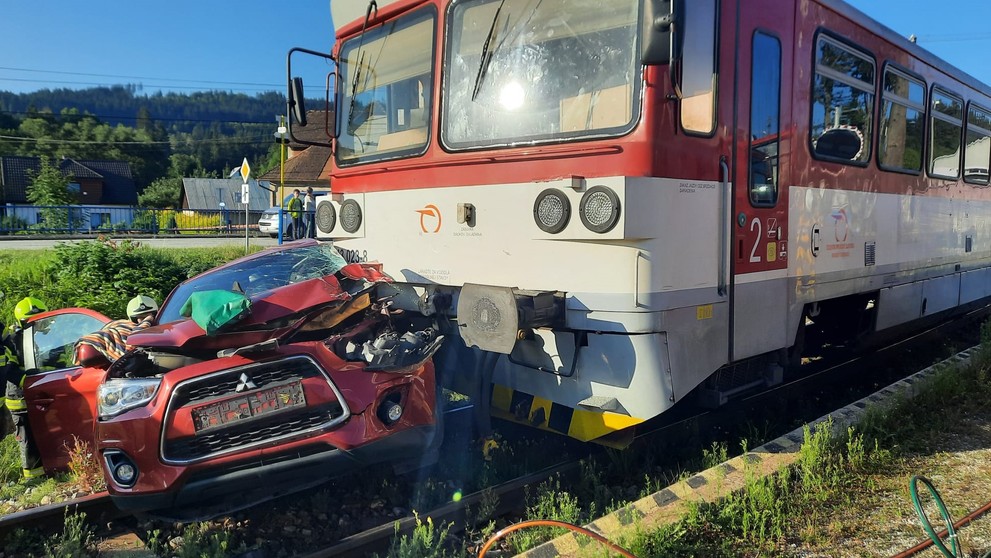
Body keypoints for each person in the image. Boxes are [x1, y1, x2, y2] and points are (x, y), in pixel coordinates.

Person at [4, 296, 48, 480]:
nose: (35, 325)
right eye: (29, 322)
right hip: (19, 398)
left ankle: (52, 468)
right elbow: (8, 368)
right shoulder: (14, 341)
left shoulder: (47, 339)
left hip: (45, 394)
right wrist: (26, 382)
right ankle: (33, 477)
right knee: (27, 437)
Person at [76, 295, 159, 366]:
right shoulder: (121, 328)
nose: (142, 321)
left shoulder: (167, 329)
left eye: (147, 317)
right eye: (137, 318)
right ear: (131, 319)